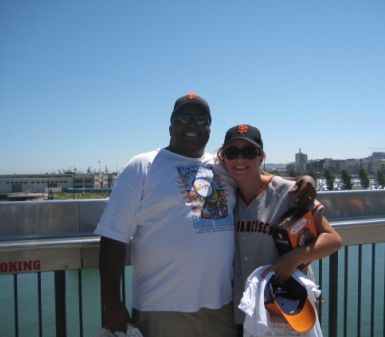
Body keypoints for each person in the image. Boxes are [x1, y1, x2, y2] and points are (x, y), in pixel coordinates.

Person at [95, 95, 317, 337]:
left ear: (209, 129)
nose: (192, 124)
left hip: (224, 307)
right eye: (183, 118)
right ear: (170, 126)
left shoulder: (222, 165)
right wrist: (112, 303)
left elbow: (260, 178)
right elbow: (112, 237)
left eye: (201, 119)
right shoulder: (142, 166)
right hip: (162, 308)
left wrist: (305, 180)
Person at [216, 124, 342, 335]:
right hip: (246, 305)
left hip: (287, 306)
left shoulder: (290, 193)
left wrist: (293, 258)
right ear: (223, 158)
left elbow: (333, 239)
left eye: (249, 152)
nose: (240, 159)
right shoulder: (226, 194)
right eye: (232, 152)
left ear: (261, 157)